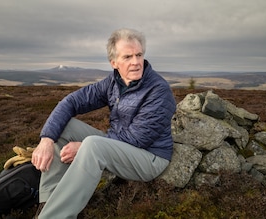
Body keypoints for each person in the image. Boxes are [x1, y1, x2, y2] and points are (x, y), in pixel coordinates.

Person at [31, 28, 176, 219]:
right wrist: (46, 140)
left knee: (92, 145)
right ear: (114, 63)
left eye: (139, 55)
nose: (136, 62)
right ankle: (49, 202)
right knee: (65, 127)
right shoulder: (113, 83)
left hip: (150, 157)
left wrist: (82, 148)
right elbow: (71, 102)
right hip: (117, 145)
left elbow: (137, 138)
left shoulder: (158, 90)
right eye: (127, 57)